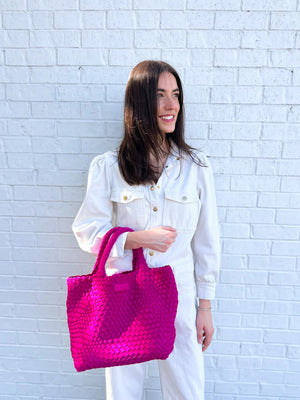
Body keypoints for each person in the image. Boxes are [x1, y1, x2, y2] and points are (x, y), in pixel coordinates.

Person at [72, 60, 220, 400]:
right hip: (124, 292)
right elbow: (87, 229)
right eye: (160, 95)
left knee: (187, 389)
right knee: (122, 391)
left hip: (180, 293)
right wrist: (136, 239)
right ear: (139, 102)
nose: (172, 106)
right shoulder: (109, 166)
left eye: (176, 95)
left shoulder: (196, 167)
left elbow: (207, 241)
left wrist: (206, 307)